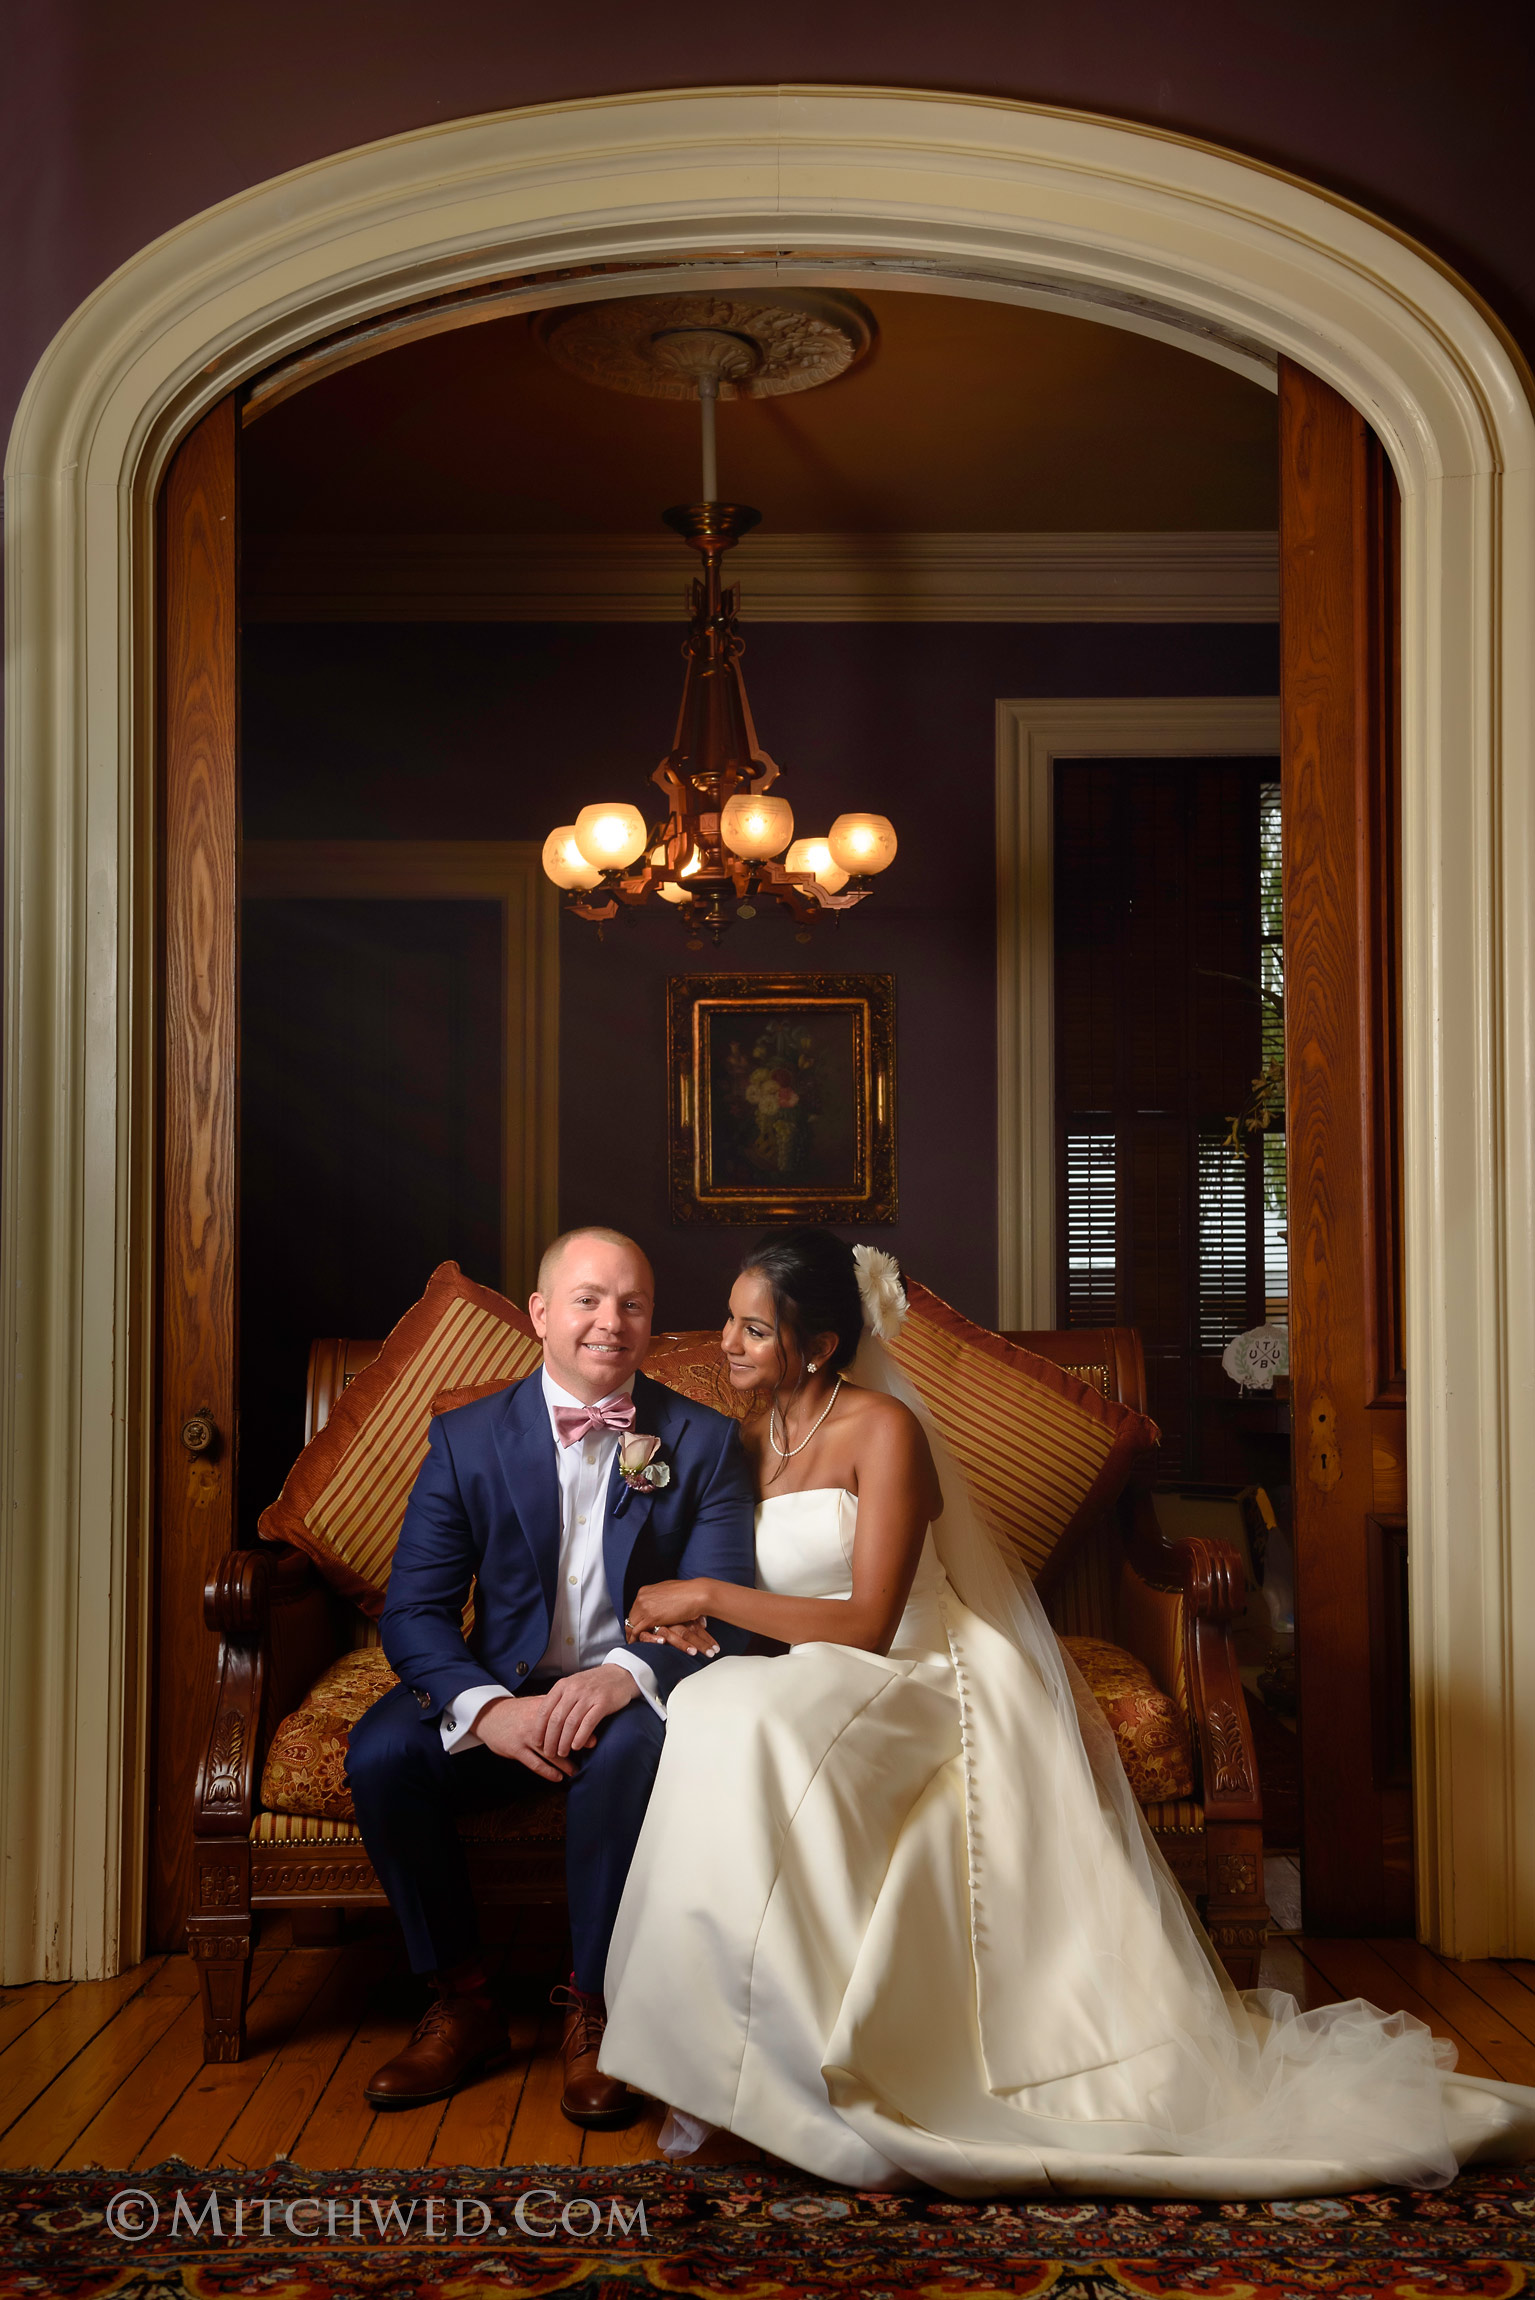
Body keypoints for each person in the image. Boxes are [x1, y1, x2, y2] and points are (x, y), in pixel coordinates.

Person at [600, 1227, 1535, 2197]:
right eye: (730, 1320)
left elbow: (870, 1620)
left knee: (755, 1726)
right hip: (805, 1669)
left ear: (821, 1344)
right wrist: (686, 1617)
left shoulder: (881, 1428)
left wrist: (705, 1594)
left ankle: (793, 2074)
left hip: (915, 1668)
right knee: (711, 1704)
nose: (727, 1342)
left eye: (754, 1327)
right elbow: (713, 1582)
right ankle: (713, 2064)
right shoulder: (740, 1436)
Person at [345, 1226, 756, 2125]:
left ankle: (596, 2012)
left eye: (632, 1303)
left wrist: (622, 1675)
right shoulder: (465, 1439)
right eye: (587, 1299)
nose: (611, 1322)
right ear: (539, 1314)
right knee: (381, 1754)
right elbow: (412, 1610)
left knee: (629, 1756)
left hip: (632, 1697)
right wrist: (487, 1709)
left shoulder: (703, 1441)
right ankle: (463, 2000)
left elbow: (726, 1604)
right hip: (505, 1687)